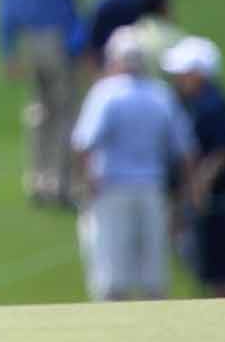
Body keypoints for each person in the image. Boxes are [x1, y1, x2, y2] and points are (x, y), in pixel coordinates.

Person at [0, 0, 105, 206]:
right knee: (67, 109)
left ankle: (37, 181)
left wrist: (7, 51)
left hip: (27, 40)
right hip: (57, 38)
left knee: (40, 111)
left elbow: (5, 6)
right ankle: (65, 185)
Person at [71, 34, 197, 302]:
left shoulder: (105, 93)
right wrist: (185, 194)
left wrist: (86, 183)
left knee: (112, 273)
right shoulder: (161, 94)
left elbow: (83, 144)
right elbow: (185, 150)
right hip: (152, 189)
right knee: (154, 274)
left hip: (112, 189)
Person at [162, 36, 225, 298]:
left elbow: (223, 151)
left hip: (216, 200)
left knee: (220, 272)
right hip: (203, 199)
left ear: (198, 73)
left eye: (183, 73)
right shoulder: (195, 102)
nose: (177, 79)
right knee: (204, 269)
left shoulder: (213, 104)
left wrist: (199, 186)